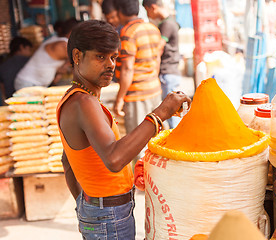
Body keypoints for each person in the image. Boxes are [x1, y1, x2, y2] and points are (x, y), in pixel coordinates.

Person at [57, 20, 190, 239]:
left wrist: (86, 204)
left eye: (113, 57)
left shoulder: (75, 99)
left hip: (100, 211)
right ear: (77, 56)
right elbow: (114, 159)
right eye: (100, 57)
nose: (110, 65)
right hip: (108, 216)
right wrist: (160, 113)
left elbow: (67, 160)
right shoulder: (84, 103)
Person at [113, 0, 163, 158]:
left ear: (120, 12)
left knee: (137, 145)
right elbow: (157, 61)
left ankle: (142, 181)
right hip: (154, 90)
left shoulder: (128, 33)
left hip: (137, 96)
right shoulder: (153, 28)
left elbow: (128, 68)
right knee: (156, 139)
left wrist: (120, 99)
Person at [143, 0, 182, 128]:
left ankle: (176, 144)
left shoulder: (167, 24)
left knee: (171, 112)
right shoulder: (171, 22)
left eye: (147, 11)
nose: (148, 15)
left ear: (152, 8)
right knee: (173, 112)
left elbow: (159, 48)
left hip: (167, 72)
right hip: (171, 71)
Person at [14, 18, 79, 90]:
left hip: (35, 84)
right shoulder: (62, 45)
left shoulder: (57, 40)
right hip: (29, 84)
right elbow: (79, 60)